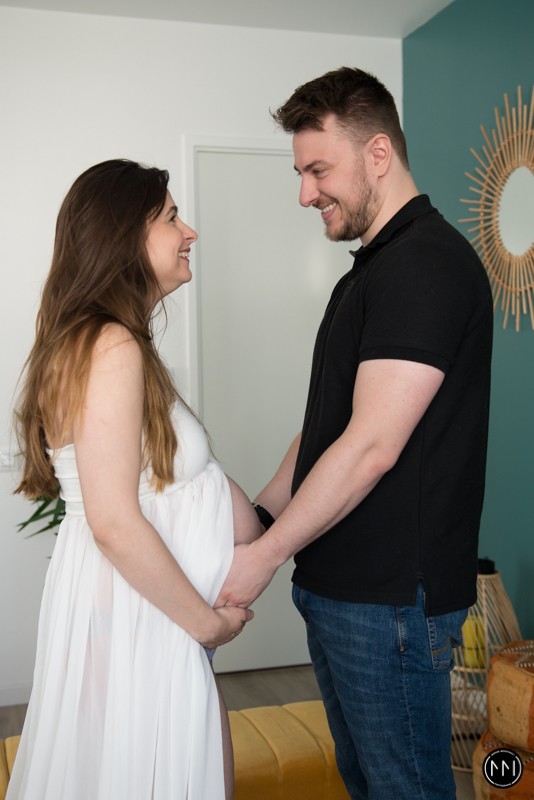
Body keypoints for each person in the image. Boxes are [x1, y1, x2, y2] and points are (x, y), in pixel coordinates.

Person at [217, 67, 493, 799]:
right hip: (343, 594)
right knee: (366, 785)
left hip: (390, 602)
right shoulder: (372, 270)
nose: (305, 193)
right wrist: (263, 516)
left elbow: (371, 445)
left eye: (318, 170)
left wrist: (266, 555)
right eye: (301, 173)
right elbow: (327, 430)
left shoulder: (426, 265)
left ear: (377, 154)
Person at [10, 159, 260, 800]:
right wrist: (206, 625)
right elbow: (115, 523)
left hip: (146, 621)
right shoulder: (110, 348)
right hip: (142, 622)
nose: (190, 231)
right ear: (126, 236)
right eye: (172, 217)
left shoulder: (111, 344)